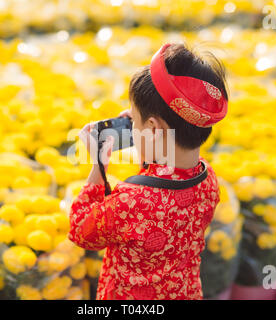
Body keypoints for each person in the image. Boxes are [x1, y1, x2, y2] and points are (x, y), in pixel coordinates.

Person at [68, 43, 229, 300]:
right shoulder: (208, 178)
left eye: (134, 121)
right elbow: (168, 177)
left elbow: (81, 231)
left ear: (154, 129)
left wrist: (98, 165)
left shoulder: (130, 201)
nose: (131, 126)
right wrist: (145, 135)